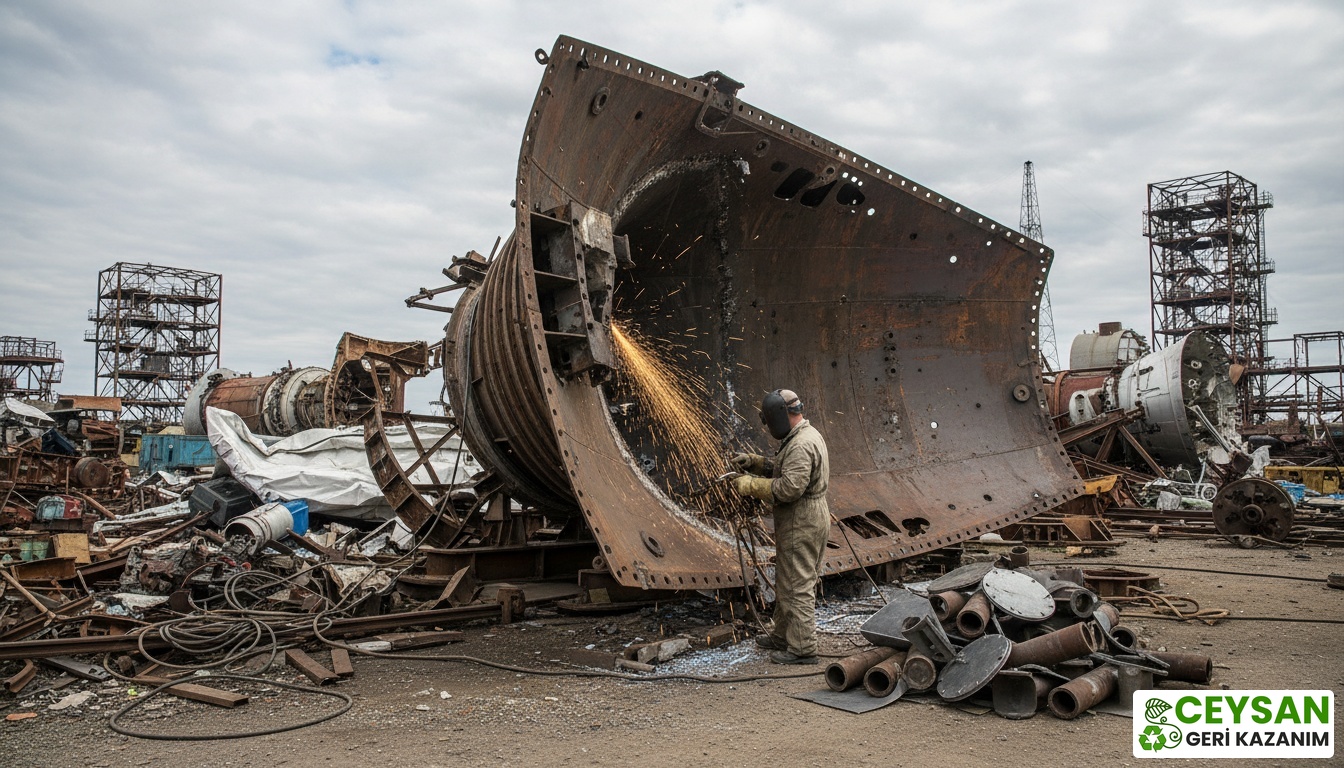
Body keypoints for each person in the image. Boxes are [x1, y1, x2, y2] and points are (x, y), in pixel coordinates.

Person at [729, 389, 830, 664]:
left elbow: (789, 488)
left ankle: (803, 649)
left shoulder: (800, 444)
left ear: (779, 416)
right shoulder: (803, 435)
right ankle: (784, 635)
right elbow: (788, 468)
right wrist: (756, 463)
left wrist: (750, 485)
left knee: (797, 584)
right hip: (806, 517)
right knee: (788, 581)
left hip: (802, 520)